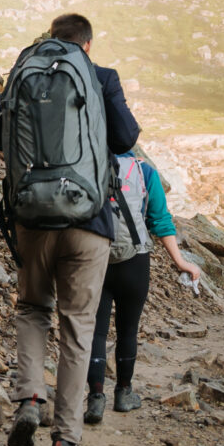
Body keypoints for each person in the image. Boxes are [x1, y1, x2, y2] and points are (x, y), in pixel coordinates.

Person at [0, 11, 138, 446]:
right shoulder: (100, 76)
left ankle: (30, 398)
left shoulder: (25, 72)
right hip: (88, 221)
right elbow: (127, 138)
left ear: (52, 41)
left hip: (32, 217)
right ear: (86, 45)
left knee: (33, 310)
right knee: (77, 327)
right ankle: (66, 442)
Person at [86, 148, 200, 423]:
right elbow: (160, 221)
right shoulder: (144, 171)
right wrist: (181, 262)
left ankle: (95, 399)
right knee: (128, 330)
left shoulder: (86, 163)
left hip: (94, 259)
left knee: (96, 332)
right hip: (134, 261)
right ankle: (124, 394)